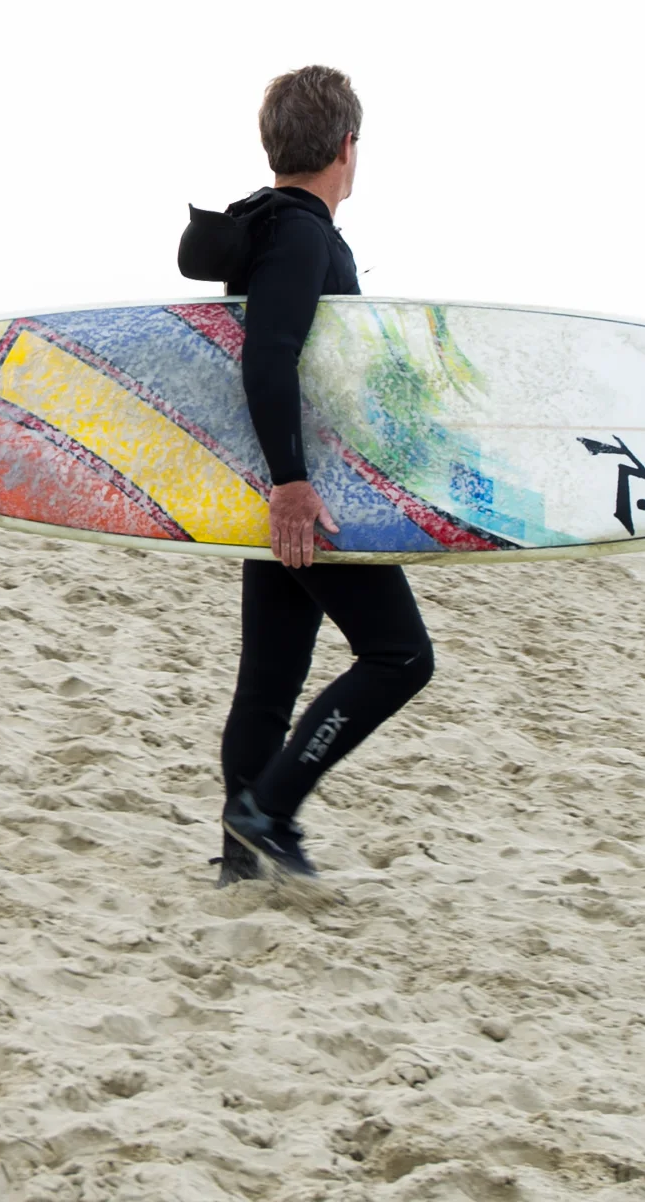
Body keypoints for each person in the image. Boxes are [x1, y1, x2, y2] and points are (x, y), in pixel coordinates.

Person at [205, 66, 435, 883]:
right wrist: (294, 482)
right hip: (307, 495)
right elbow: (268, 357)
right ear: (348, 147)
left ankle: (241, 860)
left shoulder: (273, 230)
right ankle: (269, 810)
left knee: (271, 679)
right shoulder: (301, 235)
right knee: (401, 656)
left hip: (276, 487)